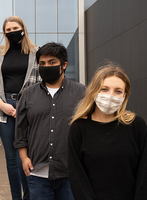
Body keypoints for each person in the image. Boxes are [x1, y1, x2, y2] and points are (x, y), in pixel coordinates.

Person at [14, 42, 86, 200]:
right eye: (42, 63)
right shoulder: (27, 94)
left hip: (71, 173)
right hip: (37, 173)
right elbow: (20, 131)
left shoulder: (81, 92)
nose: (46, 66)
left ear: (64, 65)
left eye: (52, 62)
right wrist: (24, 158)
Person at [68, 63, 147, 200]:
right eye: (104, 89)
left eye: (118, 91)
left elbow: (144, 172)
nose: (111, 95)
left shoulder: (137, 125)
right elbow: (77, 177)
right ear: (94, 91)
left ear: (124, 95)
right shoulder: (78, 128)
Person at [0, 15, 40, 200]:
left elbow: (41, 82)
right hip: (4, 108)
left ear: (23, 29)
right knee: (11, 158)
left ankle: (30, 195)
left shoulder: (36, 52)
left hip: (29, 109)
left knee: (26, 155)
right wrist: (1, 104)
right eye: (7, 30)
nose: (11, 32)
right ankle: (16, 197)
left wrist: (26, 106)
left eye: (14, 28)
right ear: (4, 33)